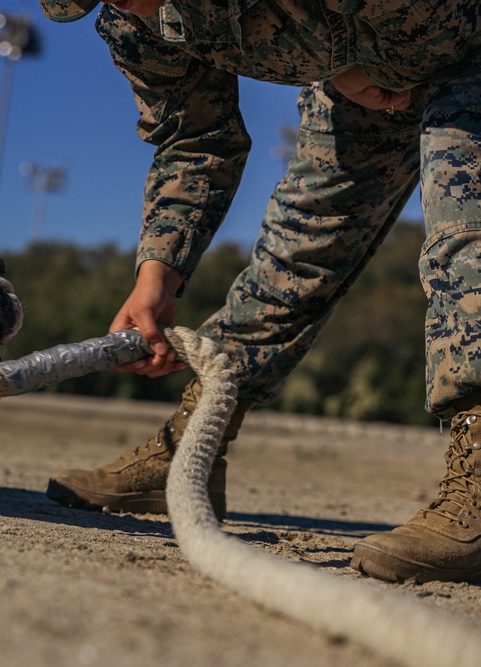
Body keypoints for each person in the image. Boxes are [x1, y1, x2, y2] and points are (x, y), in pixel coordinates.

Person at [39, 0, 481, 584]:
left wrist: (350, 55)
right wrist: (157, 276)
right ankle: (191, 447)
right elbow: (196, 140)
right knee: (296, 249)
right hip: (367, 74)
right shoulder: (136, 23)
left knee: (466, 238)